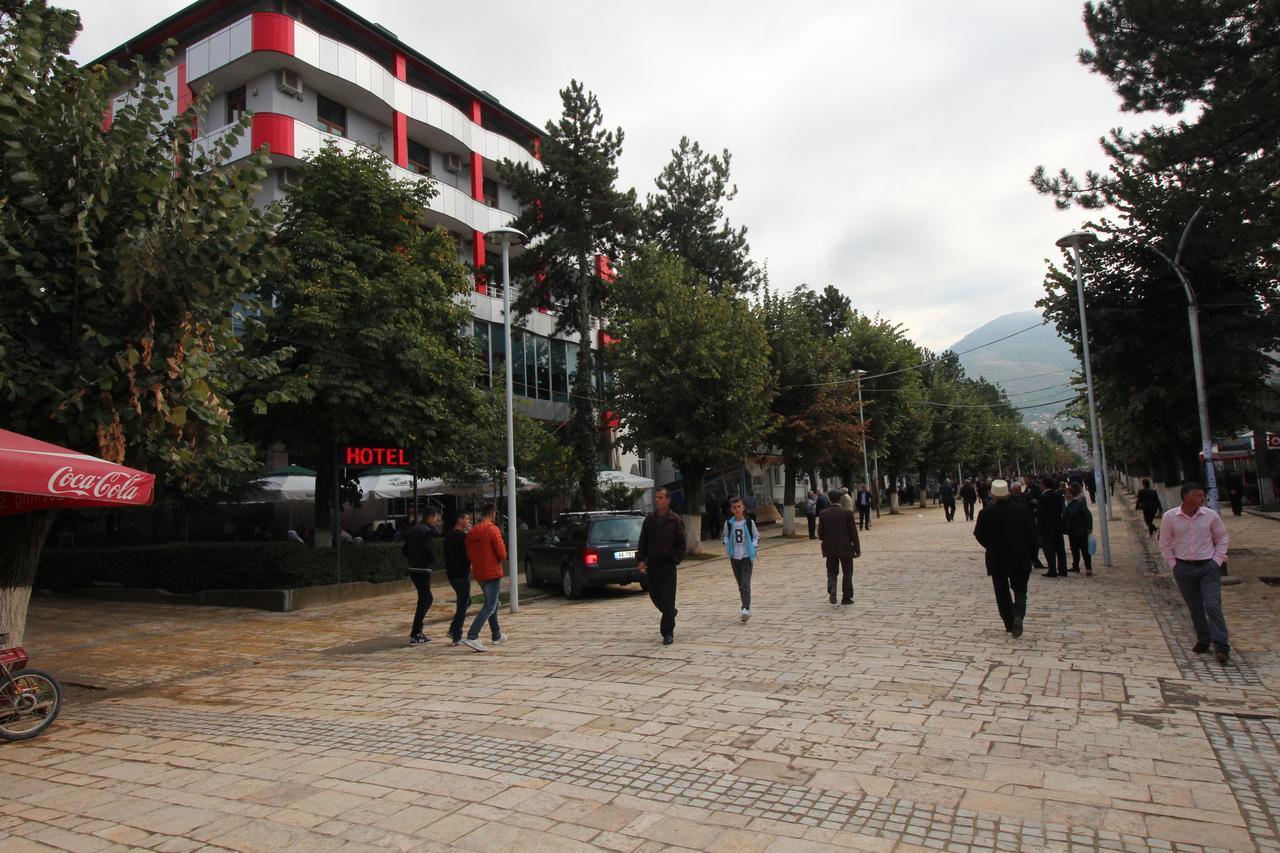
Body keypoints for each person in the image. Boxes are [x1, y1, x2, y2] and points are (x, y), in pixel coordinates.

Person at [1159, 482, 1231, 664]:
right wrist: (1173, 563)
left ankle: (1221, 645)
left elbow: (1222, 537)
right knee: (1195, 607)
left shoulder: (1210, 516)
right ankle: (1203, 638)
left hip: (1208, 566)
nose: (1202, 498)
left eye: (1202, 495)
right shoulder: (1170, 517)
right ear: (1186, 497)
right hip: (1184, 567)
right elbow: (1165, 542)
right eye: (1198, 495)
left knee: (1213, 605)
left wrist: (1218, 560)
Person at [973, 479, 1038, 637]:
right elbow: (1032, 535)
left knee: (1001, 592)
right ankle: (1018, 614)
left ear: (992, 495)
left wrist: (991, 546)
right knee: (1020, 590)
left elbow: (979, 534)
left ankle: (1009, 623)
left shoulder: (986, 513)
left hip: (997, 558)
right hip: (1020, 556)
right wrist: (1031, 555)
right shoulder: (1021, 511)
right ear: (1008, 493)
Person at [637, 488, 686, 645]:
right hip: (653, 564)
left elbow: (682, 543)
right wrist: (641, 559)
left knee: (668, 597)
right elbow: (643, 541)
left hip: (668, 565)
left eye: (660, 497)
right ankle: (670, 612)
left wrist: (675, 559)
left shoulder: (675, 520)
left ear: (667, 500)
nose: (657, 500)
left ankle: (667, 632)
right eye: (656, 497)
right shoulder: (650, 520)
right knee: (654, 594)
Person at [461, 503, 508, 651]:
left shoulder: (471, 533)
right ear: (493, 514)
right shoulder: (493, 530)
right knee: (490, 606)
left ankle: (496, 634)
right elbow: (502, 554)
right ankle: (472, 636)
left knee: (492, 603)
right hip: (493, 572)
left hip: (479, 572)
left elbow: (468, 554)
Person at [403, 508, 439, 646]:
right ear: (430, 517)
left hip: (413, 568)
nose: (437, 520)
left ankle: (417, 631)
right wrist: (430, 560)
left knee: (424, 598)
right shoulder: (427, 532)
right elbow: (429, 550)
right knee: (426, 599)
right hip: (423, 569)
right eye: (436, 517)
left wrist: (412, 558)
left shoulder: (414, 530)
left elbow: (405, 550)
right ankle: (416, 633)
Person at [818, 488, 860, 605]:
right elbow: (853, 533)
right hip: (846, 548)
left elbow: (820, 533)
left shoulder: (823, 513)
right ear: (840, 499)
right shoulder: (847, 513)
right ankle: (846, 598)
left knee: (831, 571)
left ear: (829, 499)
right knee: (847, 572)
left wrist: (826, 539)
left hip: (829, 548)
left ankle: (832, 588)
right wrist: (857, 549)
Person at [722, 497, 760, 622]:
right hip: (735, 557)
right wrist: (728, 546)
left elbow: (756, 536)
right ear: (731, 509)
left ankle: (746, 608)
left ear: (743, 508)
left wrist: (753, 546)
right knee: (740, 584)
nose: (737, 509)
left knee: (745, 583)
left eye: (739, 506)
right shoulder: (729, 523)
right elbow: (725, 537)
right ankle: (745, 606)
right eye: (734, 507)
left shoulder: (749, 522)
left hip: (747, 556)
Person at [1037, 477, 1069, 578]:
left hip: (1046, 526)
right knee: (1060, 549)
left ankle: (1052, 570)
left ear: (1044, 485)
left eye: (1041, 484)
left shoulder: (1043, 497)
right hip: (1057, 525)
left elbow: (1041, 512)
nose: (1039, 486)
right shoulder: (1058, 495)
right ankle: (1063, 570)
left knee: (1049, 549)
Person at [1064, 483, 1094, 576]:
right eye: (1066, 494)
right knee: (1074, 550)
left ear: (1073, 495)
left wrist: (1089, 527)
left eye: (1070, 494)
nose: (1068, 496)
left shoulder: (1078, 504)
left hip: (1081, 531)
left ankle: (1088, 568)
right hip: (1071, 532)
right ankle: (1075, 566)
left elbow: (1088, 515)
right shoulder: (1065, 505)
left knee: (1085, 551)